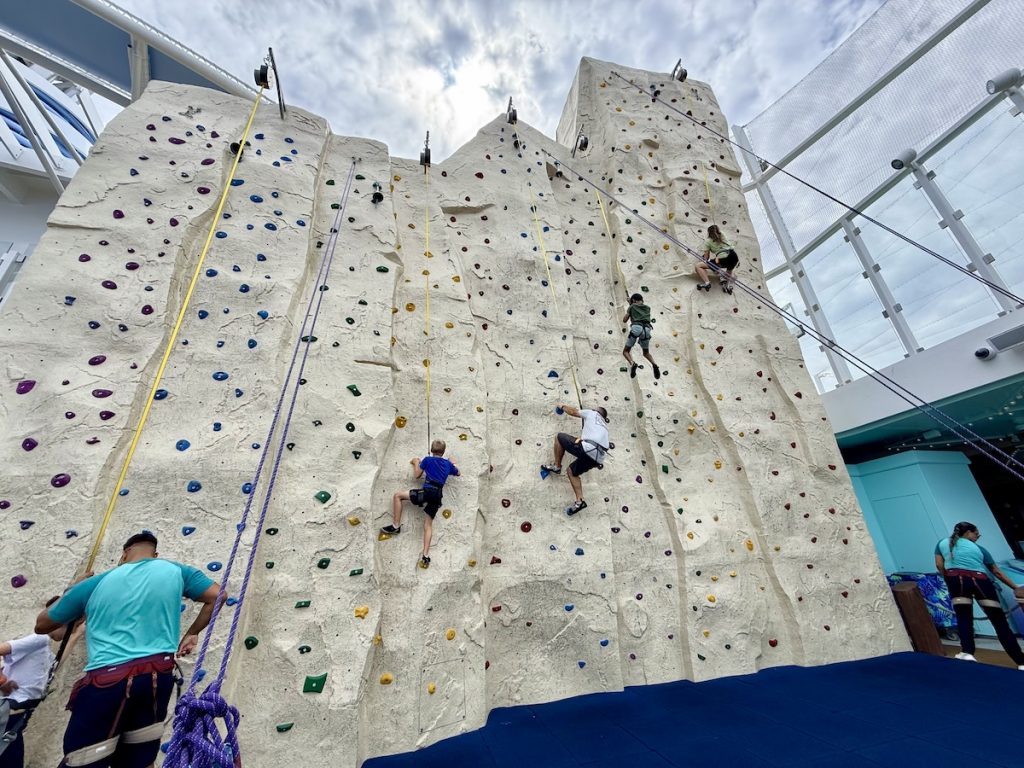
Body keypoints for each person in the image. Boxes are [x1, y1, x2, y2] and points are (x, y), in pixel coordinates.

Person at [34, 532, 224, 767]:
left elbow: (42, 624)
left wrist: (73, 589)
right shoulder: (177, 570)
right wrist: (192, 632)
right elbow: (218, 595)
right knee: (140, 761)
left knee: (81, 760)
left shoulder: (97, 582)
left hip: (107, 682)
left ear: (124, 554)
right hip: (157, 677)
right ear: (155, 555)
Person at [0, 599, 80, 768]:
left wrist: (76, 635)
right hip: (8, 714)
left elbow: (54, 667)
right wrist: (1, 681)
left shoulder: (48, 648)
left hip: (16, 719)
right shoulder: (39, 639)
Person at [934, 521, 1024, 668]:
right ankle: (1021, 662)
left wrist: (950, 580)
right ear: (968, 533)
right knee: (999, 621)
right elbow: (997, 572)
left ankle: (967, 653)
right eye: (977, 534)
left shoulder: (942, 543)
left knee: (964, 617)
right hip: (981, 581)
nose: (977, 537)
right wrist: (1014, 587)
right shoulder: (979, 549)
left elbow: (939, 564)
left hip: (957, 580)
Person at [380, 440, 459, 568]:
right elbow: (458, 473)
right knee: (428, 525)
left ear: (432, 450)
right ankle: (426, 555)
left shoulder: (428, 460)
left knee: (398, 496)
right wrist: (452, 463)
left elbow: (417, 475)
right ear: (443, 451)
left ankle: (395, 526)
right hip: (437, 496)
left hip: (427, 492)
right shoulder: (447, 464)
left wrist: (416, 462)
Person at [541, 404, 610, 516]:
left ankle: (557, 466)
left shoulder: (592, 413)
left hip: (588, 449)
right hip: (598, 458)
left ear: (596, 411)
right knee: (572, 472)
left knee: (559, 437)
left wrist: (562, 406)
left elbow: (573, 412)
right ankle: (579, 501)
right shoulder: (605, 426)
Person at [621, 293, 660, 380]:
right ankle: (654, 365)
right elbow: (638, 309)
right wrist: (631, 303)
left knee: (626, 351)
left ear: (634, 300)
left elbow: (624, 320)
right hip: (646, 330)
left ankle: (632, 363)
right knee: (646, 353)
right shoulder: (647, 308)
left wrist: (630, 305)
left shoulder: (632, 307)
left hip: (636, 328)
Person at [696, 225, 740, 293]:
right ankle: (727, 286)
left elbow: (706, 258)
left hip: (721, 259)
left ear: (708, 233)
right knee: (729, 270)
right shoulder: (722, 234)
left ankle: (707, 283)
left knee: (699, 266)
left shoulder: (708, 241)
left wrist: (703, 258)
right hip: (734, 256)